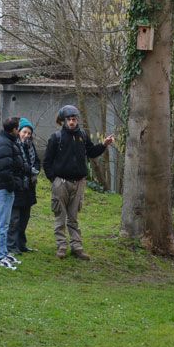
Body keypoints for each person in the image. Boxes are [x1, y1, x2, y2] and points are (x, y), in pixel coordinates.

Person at [42, 105, 113, 260]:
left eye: (74, 119)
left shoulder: (82, 135)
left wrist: (104, 144)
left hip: (79, 182)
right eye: (69, 119)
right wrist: (54, 180)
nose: (72, 122)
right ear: (63, 121)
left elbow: (92, 152)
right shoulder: (56, 138)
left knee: (73, 217)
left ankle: (77, 247)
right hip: (61, 182)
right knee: (60, 216)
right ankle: (61, 246)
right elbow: (46, 162)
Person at [0, 116, 27, 270]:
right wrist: (14, 184)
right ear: (14, 129)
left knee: (5, 223)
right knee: (2, 224)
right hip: (4, 188)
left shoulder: (8, 141)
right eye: (19, 128)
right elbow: (5, 170)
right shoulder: (3, 143)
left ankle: (3, 253)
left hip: (6, 187)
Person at [7, 118, 39, 255]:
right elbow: (16, 166)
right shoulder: (13, 145)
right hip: (18, 187)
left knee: (25, 219)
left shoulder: (31, 146)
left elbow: (37, 161)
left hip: (29, 187)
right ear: (19, 131)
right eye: (24, 132)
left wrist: (35, 170)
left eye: (29, 133)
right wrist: (29, 170)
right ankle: (11, 246)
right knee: (14, 219)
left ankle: (22, 244)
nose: (26, 135)